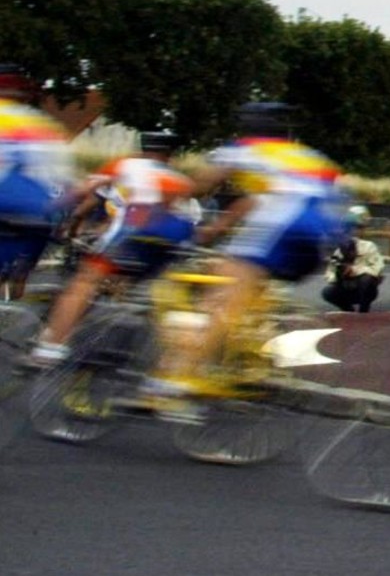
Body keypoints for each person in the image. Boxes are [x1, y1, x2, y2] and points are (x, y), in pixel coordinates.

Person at [151, 104, 343, 405]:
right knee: (240, 286)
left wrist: (159, 213)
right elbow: (256, 201)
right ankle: (244, 352)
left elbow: (199, 185)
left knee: (219, 299)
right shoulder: (307, 157)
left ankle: (178, 379)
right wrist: (214, 230)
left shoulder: (247, 149)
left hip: (281, 228)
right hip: (317, 238)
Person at [35, 131, 197, 363]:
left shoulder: (126, 165)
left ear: (142, 149)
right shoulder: (181, 179)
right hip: (175, 234)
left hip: (136, 227)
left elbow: (85, 191)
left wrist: (49, 209)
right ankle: (171, 363)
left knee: (84, 281)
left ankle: (50, 348)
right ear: (170, 155)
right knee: (152, 290)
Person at [0, 64, 76, 301]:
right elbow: (65, 181)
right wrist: (64, 221)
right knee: (19, 273)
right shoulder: (43, 126)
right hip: (38, 216)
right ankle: (12, 322)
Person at [322, 228, 386, 312]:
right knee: (327, 292)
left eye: (350, 253)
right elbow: (329, 273)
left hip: (365, 288)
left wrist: (354, 270)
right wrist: (338, 275)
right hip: (345, 286)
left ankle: (364, 310)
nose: (349, 255)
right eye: (344, 253)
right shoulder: (338, 253)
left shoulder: (368, 247)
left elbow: (377, 268)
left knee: (366, 279)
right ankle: (348, 310)